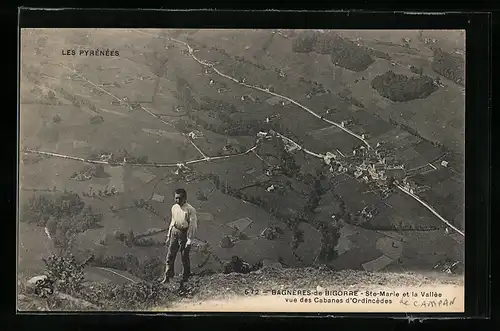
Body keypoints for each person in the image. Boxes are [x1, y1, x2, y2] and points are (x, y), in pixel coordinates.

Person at [160, 188, 198, 284]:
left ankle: (186, 277)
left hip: (184, 233)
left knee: (184, 256)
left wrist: (189, 240)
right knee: (170, 256)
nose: (177, 200)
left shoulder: (190, 210)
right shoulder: (174, 207)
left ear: (185, 198)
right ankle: (168, 277)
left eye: (180, 198)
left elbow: (192, 226)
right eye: (176, 198)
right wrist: (169, 236)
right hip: (174, 232)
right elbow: (172, 221)